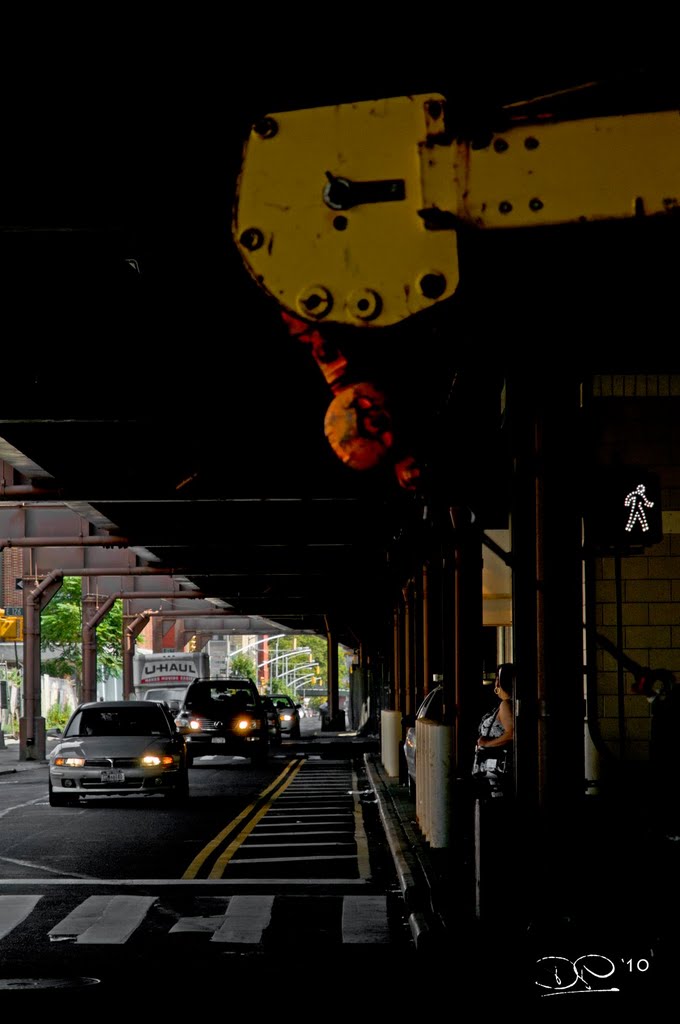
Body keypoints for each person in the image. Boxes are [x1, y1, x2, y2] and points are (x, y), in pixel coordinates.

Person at [473, 662, 515, 798]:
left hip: (497, 772)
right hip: (493, 774)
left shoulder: (505, 705)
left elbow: (512, 734)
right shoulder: (504, 704)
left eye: (497, 678)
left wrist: (486, 744)